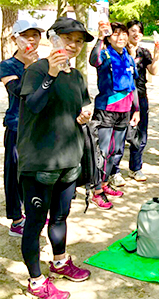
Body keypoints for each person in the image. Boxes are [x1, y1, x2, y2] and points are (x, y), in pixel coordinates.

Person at [17, 17, 94, 298]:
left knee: (60, 216)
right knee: (35, 222)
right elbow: (34, 105)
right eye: (68, 38)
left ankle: (59, 262)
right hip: (40, 162)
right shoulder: (37, 70)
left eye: (78, 41)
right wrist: (50, 74)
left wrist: (85, 115)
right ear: (55, 38)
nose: (73, 45)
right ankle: (36, 281)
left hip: (69, 160)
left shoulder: (77, 76)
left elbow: (83, 106)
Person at [0, 20, 44, 237]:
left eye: (36, 35)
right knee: (14, 173)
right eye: (26, 35)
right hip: (17, 126)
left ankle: (33, 212)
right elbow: (18, 90)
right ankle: (17, 220)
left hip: (38, 128)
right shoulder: (7, 65)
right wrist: (29, 67)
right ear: (14, 38)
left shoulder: (44, 64)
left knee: (35, 174)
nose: (32, 40)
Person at [89, 22, 140, 209]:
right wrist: (100, 38)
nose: (121, 37)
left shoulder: (128, 57)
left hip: (124, 111)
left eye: (123, 34)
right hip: (106, 109)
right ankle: (96, 191)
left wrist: (136, 109)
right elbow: (93, 60)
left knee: (116, 150)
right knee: (103, 151)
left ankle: (104, 183)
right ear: (109, 38)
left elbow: (132, 86)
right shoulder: (105, 54)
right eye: (116, 34)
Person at [124, 20, 159, 182]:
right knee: (120, 134)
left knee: (141, 134)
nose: (136, 34)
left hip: (140, 97)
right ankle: (113, 171)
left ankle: (135, 168)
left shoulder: (144, 52)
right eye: (133, 30)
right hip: (122, 97)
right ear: (126, 32)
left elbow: (154, 71)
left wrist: (158, 54)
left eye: (139, 31)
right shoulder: (119, 50)